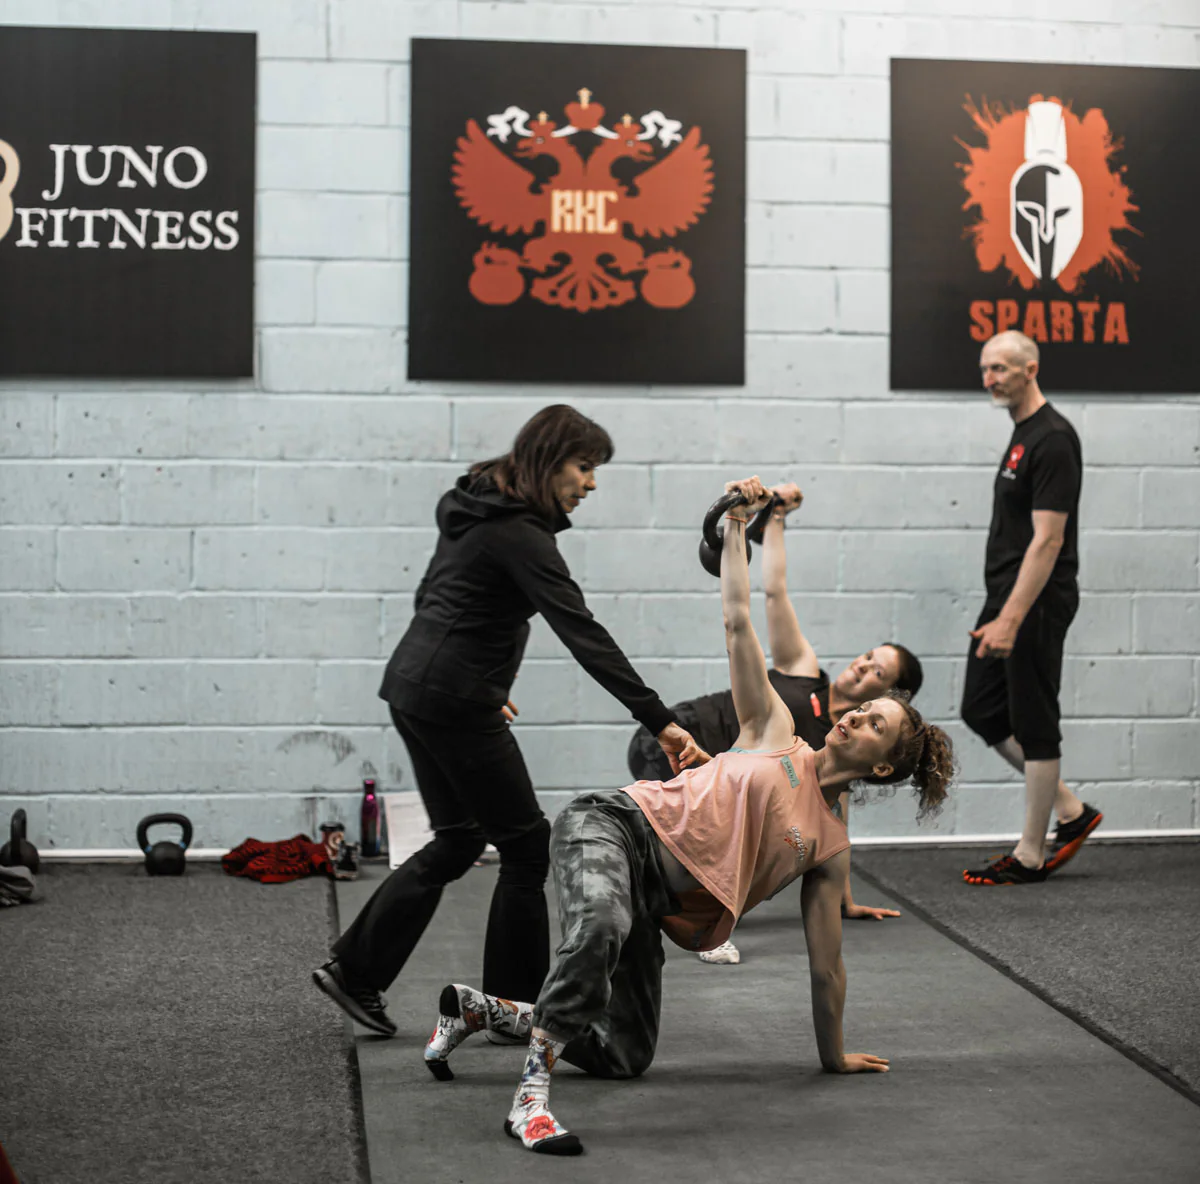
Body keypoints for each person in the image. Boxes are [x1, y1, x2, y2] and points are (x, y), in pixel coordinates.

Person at [421, 476, 956, 1156]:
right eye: (862, 708)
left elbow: (828, 970)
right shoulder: (777, 730)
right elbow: (739, 620)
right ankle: (530, 1100)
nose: (854, 712)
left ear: (882, 766)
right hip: (613, 826)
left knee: (624, 1053)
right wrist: (737, 528)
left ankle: (482, 1010)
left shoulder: (830, 847)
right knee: (602, 925)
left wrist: (835, 1056)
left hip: (656, 901)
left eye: (874, 720)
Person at [313, 405, 703, 1036]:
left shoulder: (476, 506)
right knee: (525, 845)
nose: (592, 484)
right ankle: (513, 1009)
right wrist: (659, 720)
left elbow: (435, 596)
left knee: (460, 837)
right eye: (584, 467)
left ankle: (355, 971)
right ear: (549, 462)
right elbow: (582, 632)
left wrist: (484, 681)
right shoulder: (520, 533)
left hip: (414, 686)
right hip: (453, 699)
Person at [627, 482, 924, 949]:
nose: (862, 666)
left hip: (710, 771)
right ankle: (690, 917)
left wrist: (843, 900)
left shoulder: (834, 748)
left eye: (877, 672)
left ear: (891, 695)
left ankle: (666, 922)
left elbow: (830, 822)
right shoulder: (804, 669)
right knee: (668, 854)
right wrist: (778, 515)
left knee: (658, 883)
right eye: (868, 656)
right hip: (676, 736)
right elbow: (774, 593)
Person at [961, 331, 1101, 886]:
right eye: (985, 369)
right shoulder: (1024, 435)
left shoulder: (1054, 439)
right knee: (982, 709)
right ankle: (1071, 812)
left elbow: (1047, 541)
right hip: (1007, 595)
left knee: (1035, 721)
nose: (990, 378)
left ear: (1030, 368)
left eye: (1000, 368)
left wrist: (1013, 617)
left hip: (1036, 600)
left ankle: (1029, 853)